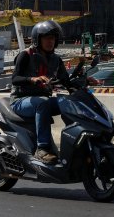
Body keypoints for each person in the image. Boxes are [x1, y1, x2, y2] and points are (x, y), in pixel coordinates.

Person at [10, 20, 70, 164]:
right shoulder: (26, 55)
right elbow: (15, 79)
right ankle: (42, 149)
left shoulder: (56, 59)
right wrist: (32, 79)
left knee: (69, 102)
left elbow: (66, 81)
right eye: (47, 38)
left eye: (53, 38)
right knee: (43, 103)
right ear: (38, 39)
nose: (51, 42)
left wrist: (85, 81)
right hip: (20, 100)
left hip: (43, 100)